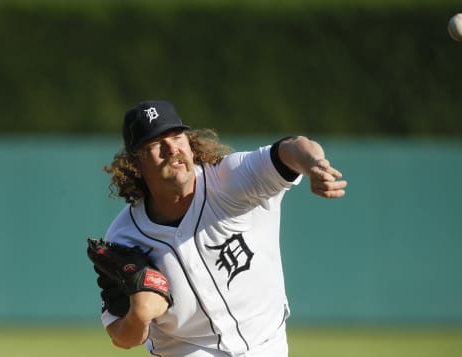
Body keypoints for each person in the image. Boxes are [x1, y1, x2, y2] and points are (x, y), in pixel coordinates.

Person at [95, 99, 347, 357]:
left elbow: (291, 148)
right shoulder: (124, 236)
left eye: (176, 136)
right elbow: (122, 338)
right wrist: (139, 316)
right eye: (155, 144)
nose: (171, 149)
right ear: (135, 163)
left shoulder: (232, 180)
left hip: (267, 344)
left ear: (190, 144)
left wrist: (313, 163)